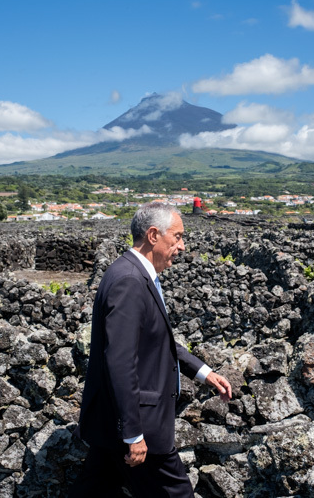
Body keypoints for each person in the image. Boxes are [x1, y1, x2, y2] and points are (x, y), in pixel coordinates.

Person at [72, 202, 232, 498]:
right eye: (178, 236)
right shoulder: (131, 282)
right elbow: (121, 361)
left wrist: (204, 373)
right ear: (154, 235)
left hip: (110, 425)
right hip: (139, 428)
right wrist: (133, 434)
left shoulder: (128, 271)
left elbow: (158, 341)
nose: (182, 246)